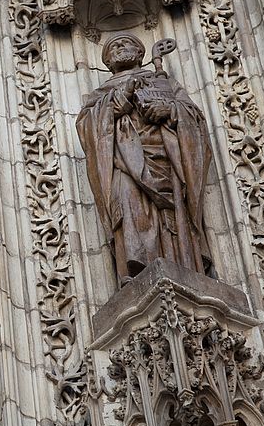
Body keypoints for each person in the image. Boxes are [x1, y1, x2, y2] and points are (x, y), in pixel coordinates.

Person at [76, 32, 212, 285]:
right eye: (114, 47)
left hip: (165, 160)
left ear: (140, 54)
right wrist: (122, 96)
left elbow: (195, 120)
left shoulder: (164, 83)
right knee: (127, 201)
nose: (120, 48)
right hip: (125, 163)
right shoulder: (100, 95)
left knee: (172, 215)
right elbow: (88, 128)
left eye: (127, 43)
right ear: (107, 62)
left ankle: (183, 266)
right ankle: (136, 272)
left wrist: (170, 111)